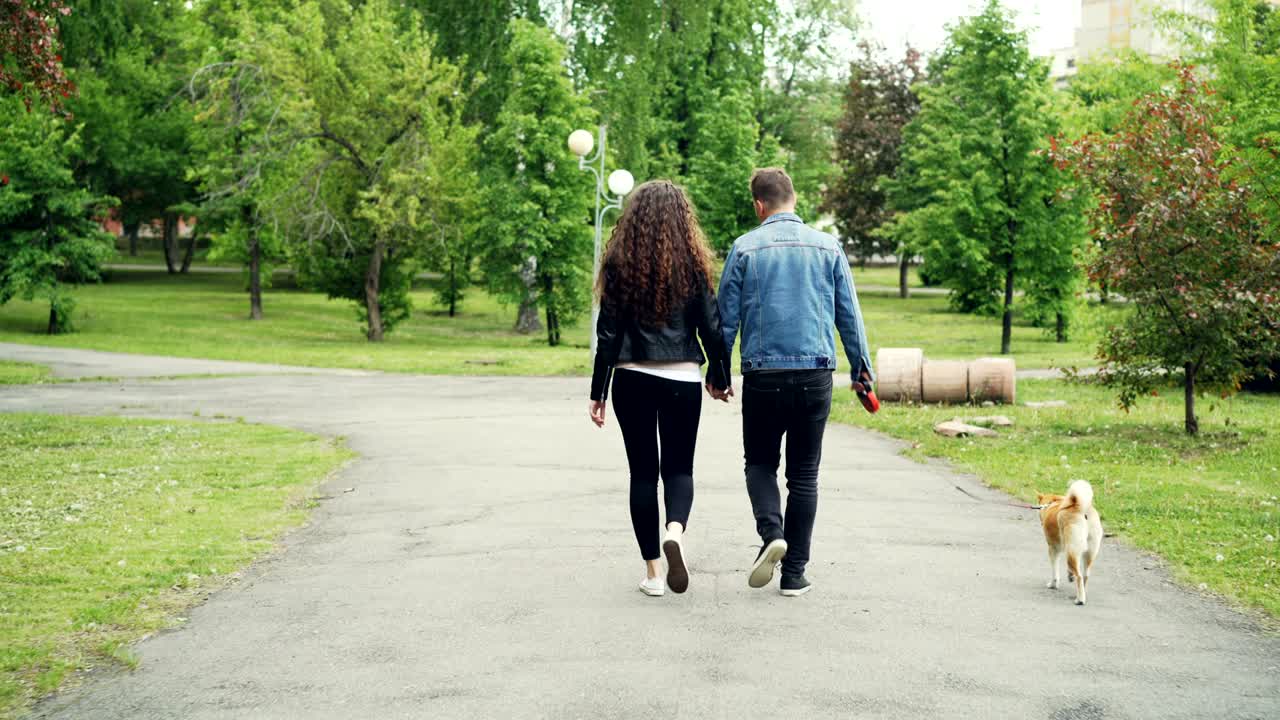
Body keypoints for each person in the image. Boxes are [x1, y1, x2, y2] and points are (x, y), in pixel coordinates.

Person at [714, 167, 874, 597]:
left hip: (763, 375)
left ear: (758, 205)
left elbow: (724, 319)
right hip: (815, 373)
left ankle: (772, 534)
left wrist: (718, 371)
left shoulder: (744, 248)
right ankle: (794, 574)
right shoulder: (828, 247)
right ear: (794, 198)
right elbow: (849, 316)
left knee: (761, 464)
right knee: (804, 475)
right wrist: (862, 371)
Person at [589, 180, 732, 597]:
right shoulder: (691, 261)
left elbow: (608, 333)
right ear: (682, 219)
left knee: (642, 475)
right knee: (679, 469)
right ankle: (675, 531)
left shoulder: (619, 261)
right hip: (682, 377)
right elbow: (713, 325)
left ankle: (653, 573)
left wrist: (599, 390)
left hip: (631, 377)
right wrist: (720, 375)